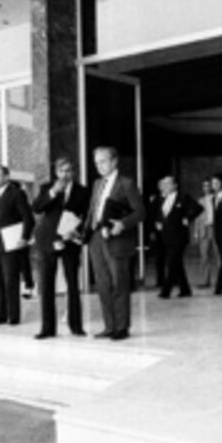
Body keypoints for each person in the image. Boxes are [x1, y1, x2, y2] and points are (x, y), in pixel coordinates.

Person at [84, 146, 145, 341]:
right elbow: (93, 210)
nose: (99, 166)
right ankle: (109, 326)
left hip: (117, 239)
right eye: (96, 163)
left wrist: (123, 224)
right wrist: (85, 231)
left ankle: (121, 327)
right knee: (103, 284)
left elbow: (140, 212)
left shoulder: (126, 183)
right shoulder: (97, 184)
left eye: (103, 161)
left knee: (119, 283)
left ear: (114, 161)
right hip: (96, 238)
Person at [31, 157, 89, 339]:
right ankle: (47, 328)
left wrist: (76, 232)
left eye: (69, 170)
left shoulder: (82, 191)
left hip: (70, 240)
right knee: (46, 285)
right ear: (56, 172)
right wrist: (53, 192)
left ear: (74, 172)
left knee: (73, 284)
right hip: (48, 240)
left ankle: (76, 326)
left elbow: (87, 216)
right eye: (62, 171)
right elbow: (36, 208)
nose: (65, 174)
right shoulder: (46, 187)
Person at [0, 166, 34, 327]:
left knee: (10, 280)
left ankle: (13, 315)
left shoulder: (16, 193)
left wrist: (24, 237)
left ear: (6, 177)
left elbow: (27, 217)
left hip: (10, 242)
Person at [153, 175, 202, 299]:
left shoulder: (183, 197)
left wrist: (188, 218)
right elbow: (159, 213)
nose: (165, 186)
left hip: (179, 236)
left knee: (172, 262)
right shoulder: (162, 199)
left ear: (175, 185)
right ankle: (185, 289)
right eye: (164, 183)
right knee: (177, 263)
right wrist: (158, 221)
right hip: (166, 236)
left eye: (168, 183)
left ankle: (166, 290)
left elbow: (198, 208)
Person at [192, 179, 218, 288]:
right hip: (203, 230)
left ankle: (221, 281)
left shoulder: (216, 198)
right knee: (204, 256)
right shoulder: (200, 201)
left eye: (208, 185)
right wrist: (196, 231)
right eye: (204, 186)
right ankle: (205, 280)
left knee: (218, 256)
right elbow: (197, 217)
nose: (206, 188)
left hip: (214, 228)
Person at [210, 173, 222, 295]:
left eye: (216, 183)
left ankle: (220, 286)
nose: (214, 185)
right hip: (219, 233)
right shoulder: (214, 198)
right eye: (213, 183)